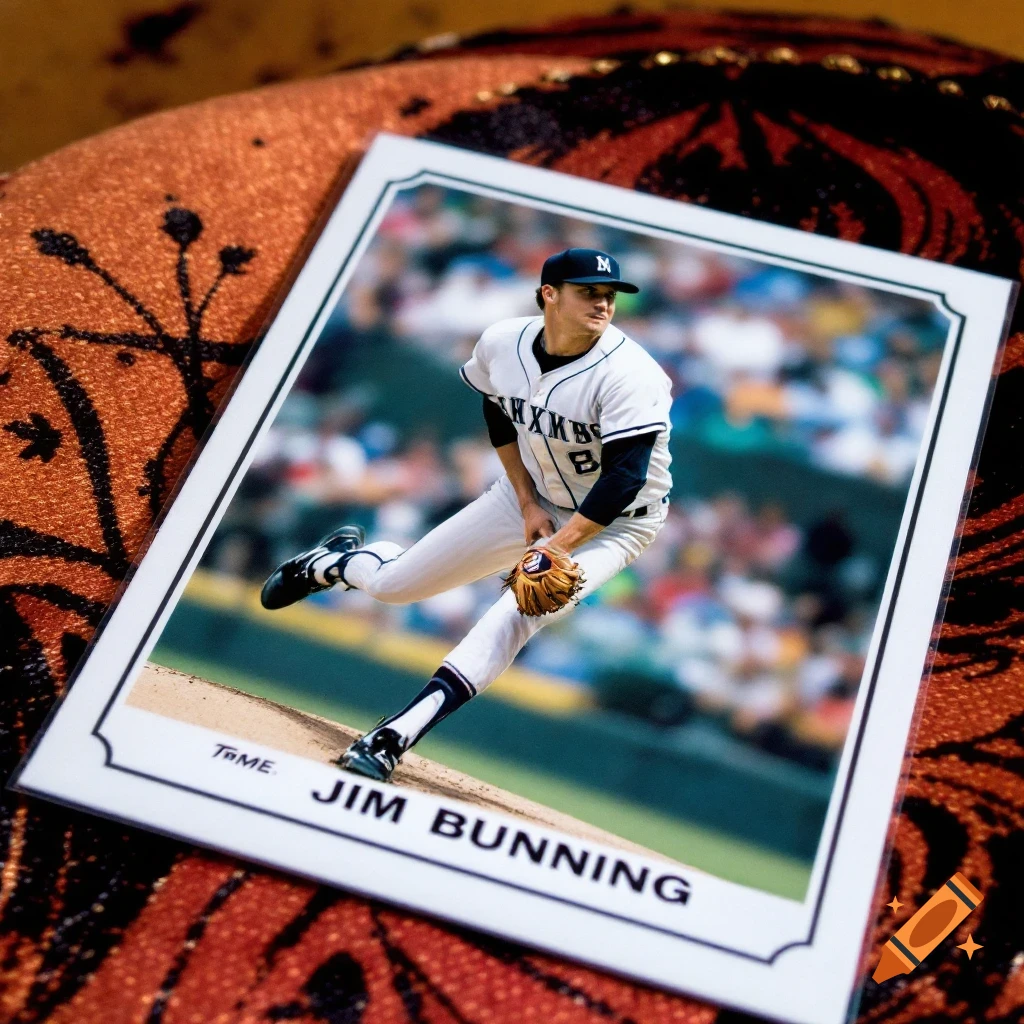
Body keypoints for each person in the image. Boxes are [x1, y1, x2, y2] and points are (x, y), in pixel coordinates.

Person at [261, 248, 674, 781]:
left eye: (609, 295)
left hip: (618, 522)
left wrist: (556, 547)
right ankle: (335, 563)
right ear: (549, 294)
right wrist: (526, 504)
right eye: (588, 292)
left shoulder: (630, 374)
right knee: (393, 585)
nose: (603, 303)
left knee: (523, 609)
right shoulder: (503, 341)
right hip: (527, 494)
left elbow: (624, 478)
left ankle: (393, 737)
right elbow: (497, 411)